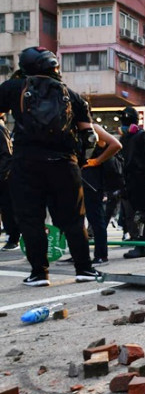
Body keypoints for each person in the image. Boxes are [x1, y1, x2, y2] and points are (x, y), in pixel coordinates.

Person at [0, 47, 102, 286]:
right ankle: (84, 269)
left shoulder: (15, 88)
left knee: (31, 219)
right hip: (64, 164)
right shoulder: (73, 95)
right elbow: (90, 138)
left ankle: (39, 273)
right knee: (74, 220)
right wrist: (80, 161)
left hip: (26, 163)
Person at [81, 123, 122, 265]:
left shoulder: (93, 128)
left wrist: (97, 161)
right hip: (77, 177)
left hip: (92, 180)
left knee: (95, 218)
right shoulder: (67, 126)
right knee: (77, 220)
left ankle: (101, 255)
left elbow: (116, 145)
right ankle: (79, 254)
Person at [119, 106, 145, 260]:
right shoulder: (124, 139)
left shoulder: (142, 136)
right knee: (140, 212)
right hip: (130, 179)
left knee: (141, 213)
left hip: (141, 178)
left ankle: (142, 246)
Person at [0, 112, 20, 251]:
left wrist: (2, 174)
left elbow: (7, 154)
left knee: (7, 207)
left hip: (3, 176)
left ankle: (13, 237)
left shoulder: (0, 129)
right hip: (4, 174)